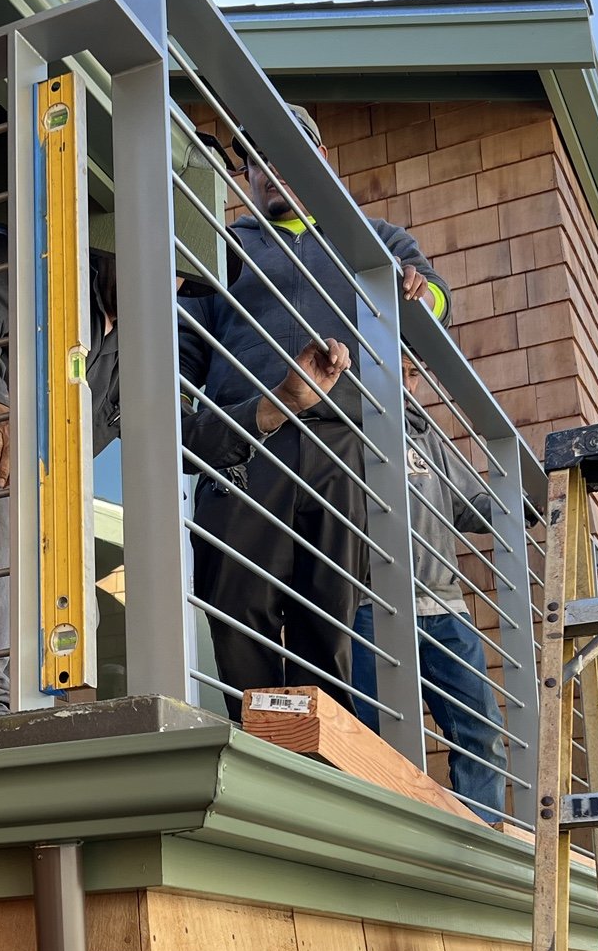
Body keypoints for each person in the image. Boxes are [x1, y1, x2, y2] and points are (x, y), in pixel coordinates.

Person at [0, 216, 351, 724]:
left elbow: (180, 434)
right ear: (114, 239)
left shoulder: (127, 353)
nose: (163, 283)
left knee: (52, 555)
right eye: (155, 259)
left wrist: (282, 401)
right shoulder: (31, 240)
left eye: (179, 276)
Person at [179, 104, 451, 715]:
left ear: (321, 159)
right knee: (237, 616)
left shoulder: (374, 239)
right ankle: (261, 752)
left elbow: (437, 300)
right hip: (248, 446)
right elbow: (182, 355)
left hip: (344, 446)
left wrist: (417, 294)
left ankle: (320, 759)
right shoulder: (220, 247)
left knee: (330, 628)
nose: (269, 169)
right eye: (256, 160)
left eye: (287, 152)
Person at [351, 349, 508, 817]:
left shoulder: (427, 435)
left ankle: (481, 837)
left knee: (481, 730)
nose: (407, 381)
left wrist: (518, 505)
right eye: (396, 368)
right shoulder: (344, 426)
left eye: (413, 373)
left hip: (445, 607)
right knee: (377, 735)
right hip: (369, 607)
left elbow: (470, 503)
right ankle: (389, 836)